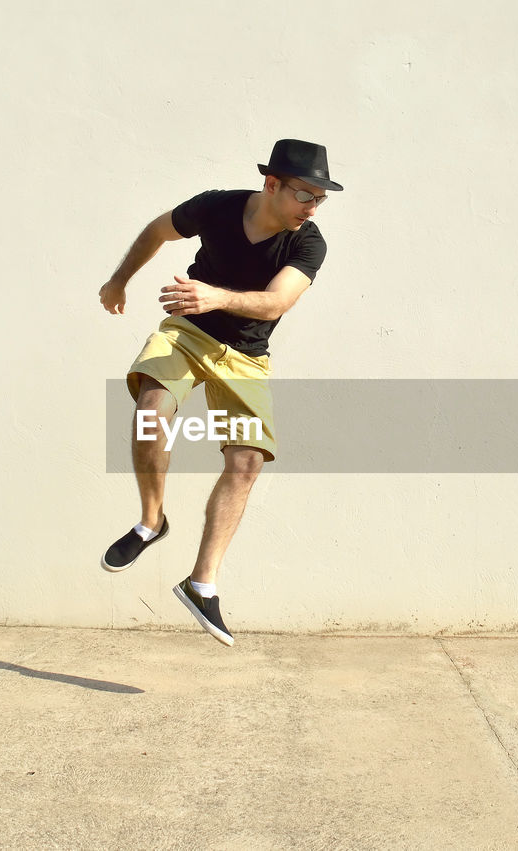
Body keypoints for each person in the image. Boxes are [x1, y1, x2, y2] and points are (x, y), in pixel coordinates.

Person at [98, 139, 343, 647]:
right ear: (272, 184)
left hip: (247, 357)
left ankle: (201, 583)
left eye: (320, 198)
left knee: (247, 462)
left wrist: (217, 296)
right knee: (151, 411)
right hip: (188, 333)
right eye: (305, 195)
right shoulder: (217, 206)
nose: (312, 207)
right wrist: (119, 279)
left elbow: (276, 303)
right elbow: (157, 230)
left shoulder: (308, 243)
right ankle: (150, 520)